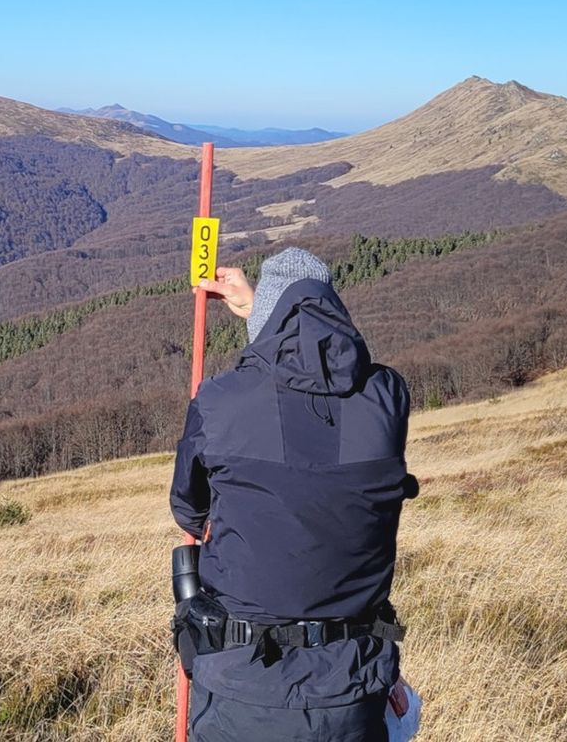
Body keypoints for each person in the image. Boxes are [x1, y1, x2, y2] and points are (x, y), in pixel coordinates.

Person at [171, 247, 417, 742]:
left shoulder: (219, 400)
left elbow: (188, 509)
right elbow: (315, 380)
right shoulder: (389, 396)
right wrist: (263, 310)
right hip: (353, 687)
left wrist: (261, 317)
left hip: (237, 687)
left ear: (269, 315)